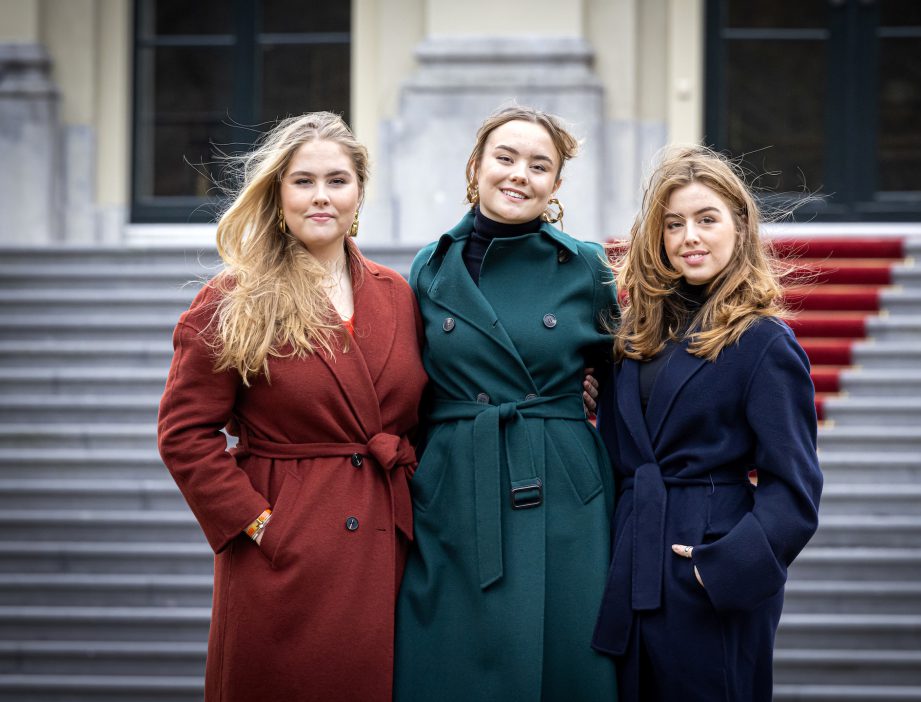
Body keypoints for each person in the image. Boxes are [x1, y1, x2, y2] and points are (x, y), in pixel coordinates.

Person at [157, 112, 427, 701]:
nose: (322, 196)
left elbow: (421, 409)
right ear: (278, 194)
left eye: (338, 180)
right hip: (283, 555)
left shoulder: (397, 292)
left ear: (360, 193)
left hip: (384, 545)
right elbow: (184, 434)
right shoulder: (234, 295)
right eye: (303, 181)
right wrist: (258, 523)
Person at [393, 106, 619, 701]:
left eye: (539, 165)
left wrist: (590, 392)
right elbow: (409, 380)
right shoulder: (430, 266)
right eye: (506, 157)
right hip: (455, 478)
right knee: (450, 654)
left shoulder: (588, 266)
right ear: (476, 166)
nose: (520, 174)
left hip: (561, 484)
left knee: (563, 650)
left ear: (556, 184)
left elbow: (628, 368)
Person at [591, 145, 823, 701]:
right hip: (630, 561)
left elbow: (794, 489)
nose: (689, 236)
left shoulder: (765, 342)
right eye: (674, 224)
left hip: (709, 569)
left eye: (706, 219)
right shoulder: (633, 338)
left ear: (740, 228)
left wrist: (722, 570)